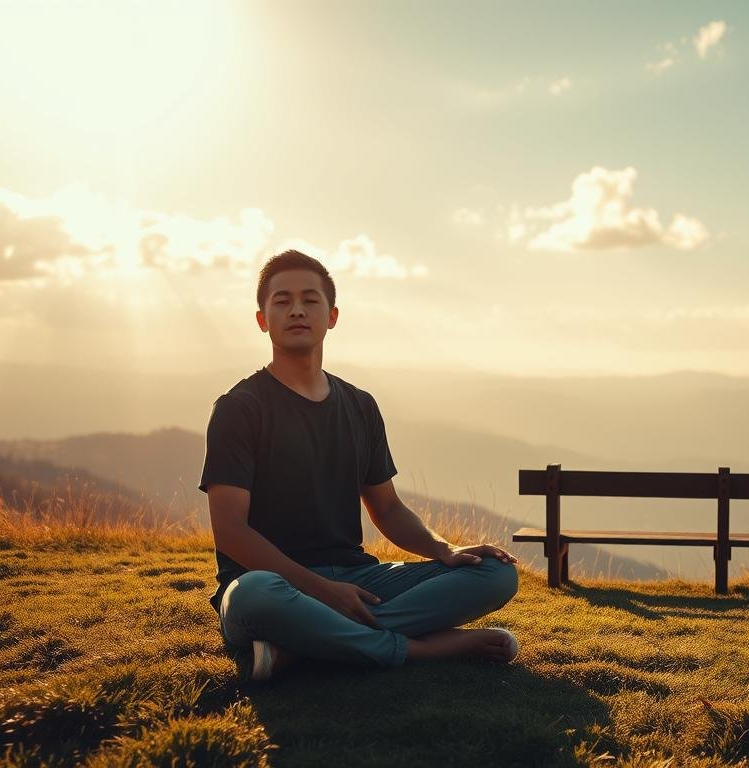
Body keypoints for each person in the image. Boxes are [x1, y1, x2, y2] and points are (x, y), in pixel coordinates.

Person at [198, 249, 520, 683]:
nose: (297, 310)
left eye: (310, 300)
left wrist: (445, 550)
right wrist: (322, 592)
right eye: (282, 301)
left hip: (359, 577)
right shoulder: (239, 408)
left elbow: (387, 509)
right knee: (253, 595)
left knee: (496, 574)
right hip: (272, 582)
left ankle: (303, 647)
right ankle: (421, 648)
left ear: (332, 316)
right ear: (262, 320)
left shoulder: (360, 405)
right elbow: (230, 531)